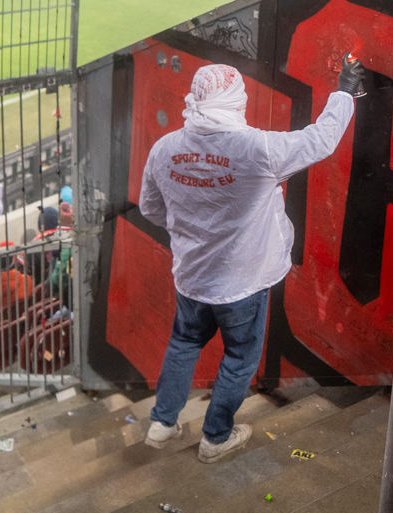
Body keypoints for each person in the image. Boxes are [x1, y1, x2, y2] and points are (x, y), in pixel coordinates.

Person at [140, 58, 364, 464]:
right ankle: (215, 438)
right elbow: (321, 140)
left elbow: (151, 209)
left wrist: (193, 229)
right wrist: (345, 93)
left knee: (184, 343)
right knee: (239, 358)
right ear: (235, 101)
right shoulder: (259, 149)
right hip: (243, 285)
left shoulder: (164, 150)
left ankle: (161, 424)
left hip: (191, 278)